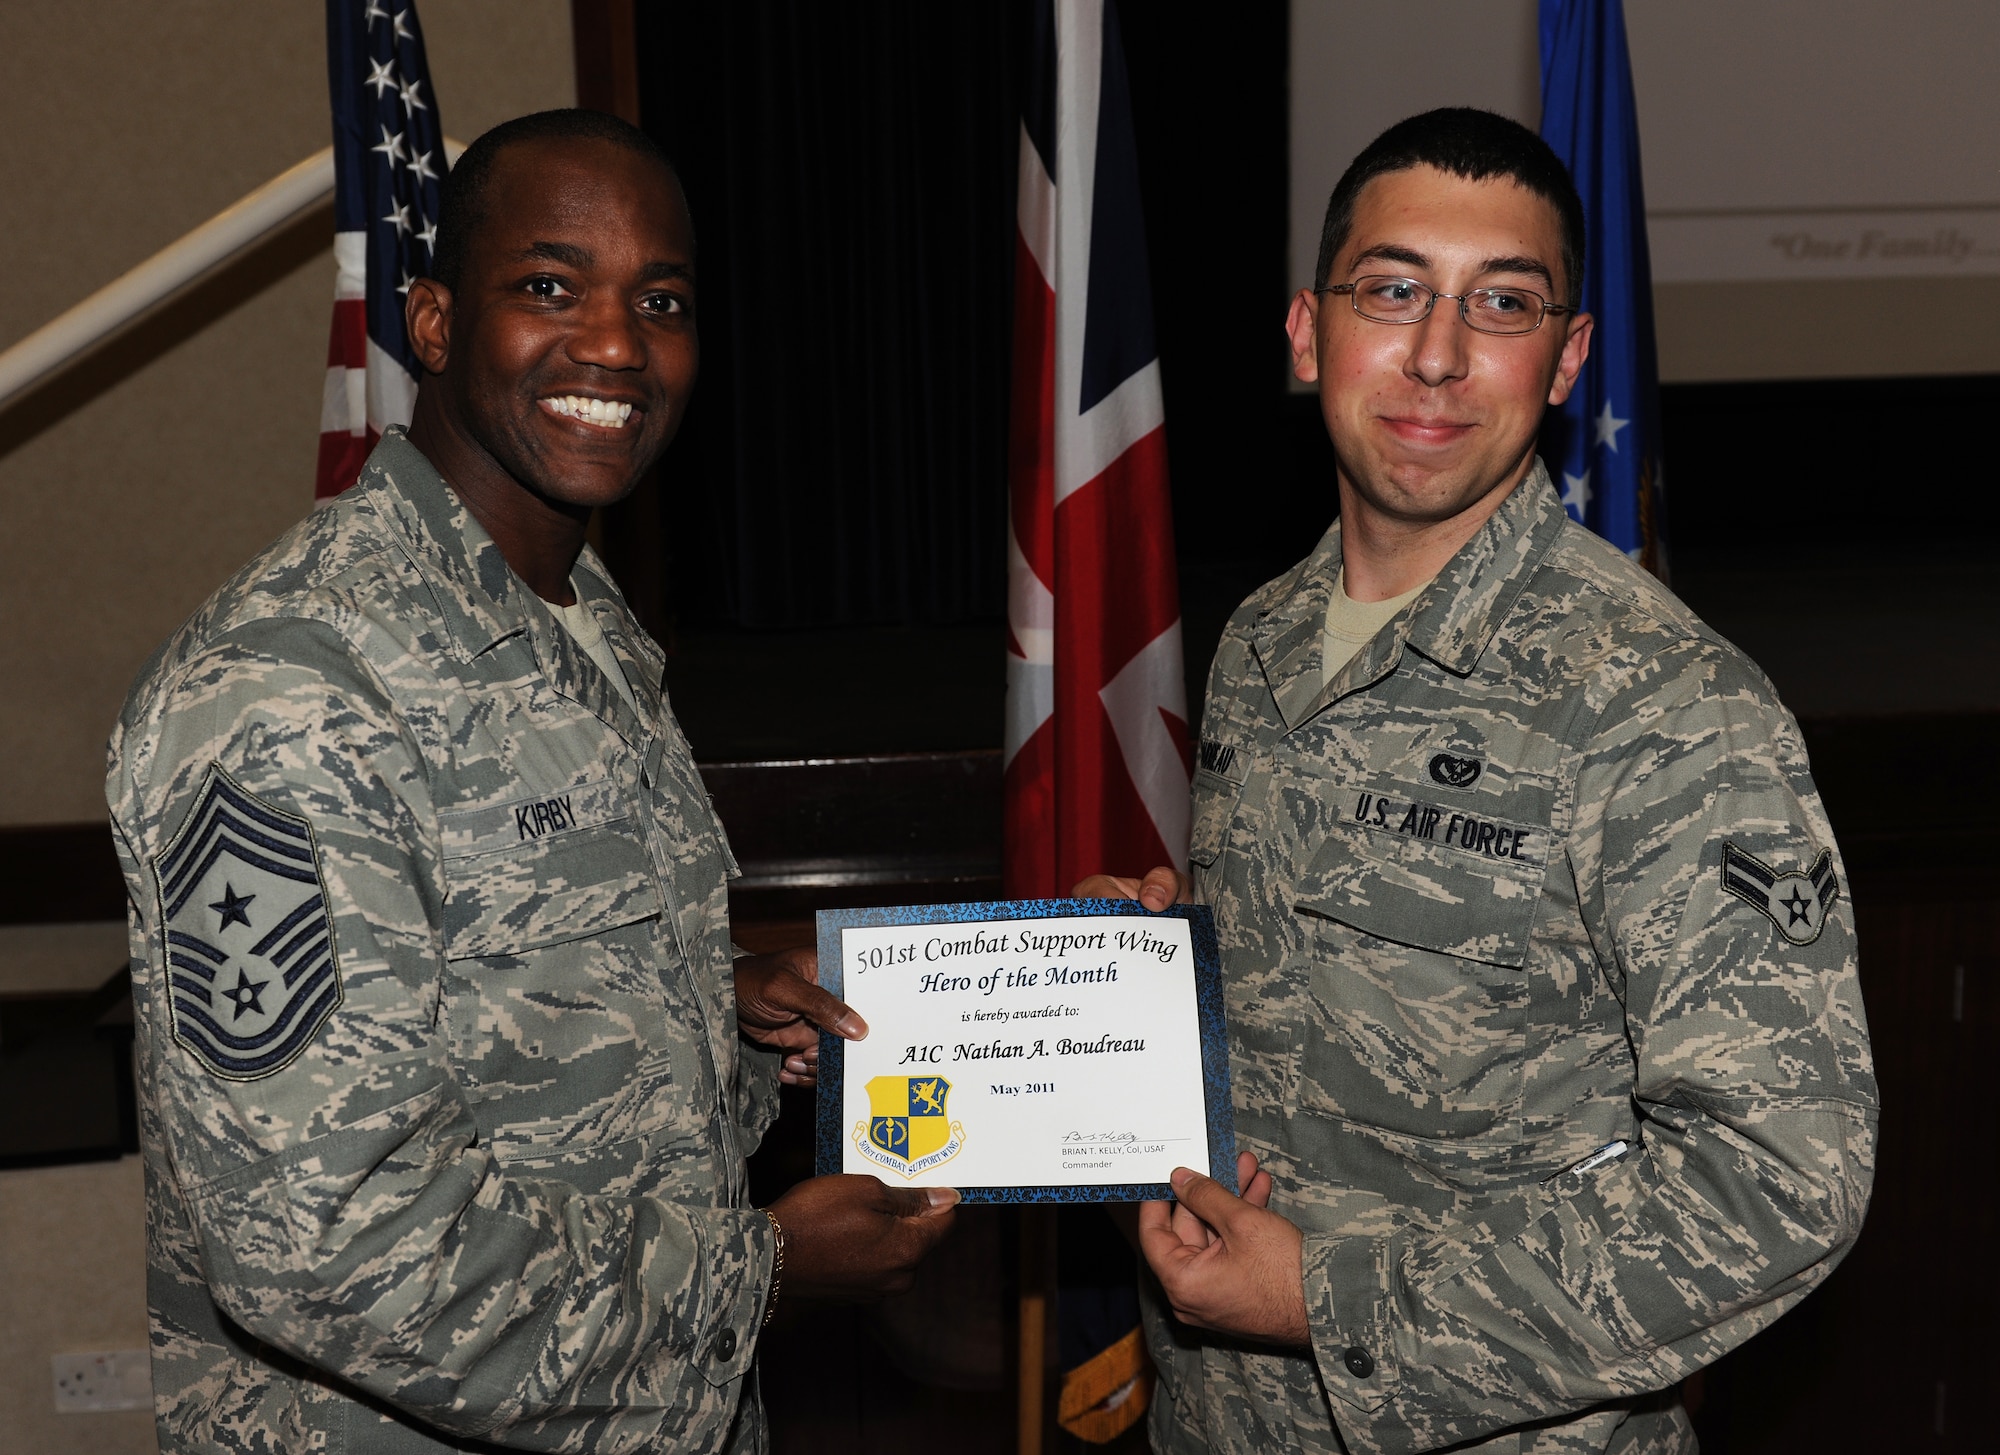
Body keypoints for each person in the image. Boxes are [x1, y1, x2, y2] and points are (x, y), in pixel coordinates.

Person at [105, 110, 956, 1454]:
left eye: (660, 300)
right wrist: (762, 1276)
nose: (615, 345)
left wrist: (723, 1015)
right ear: (435, 324)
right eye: (550, 287)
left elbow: (508, 1001)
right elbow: (316, 1244)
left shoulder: (582, 620)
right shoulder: (293, 688)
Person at [1081, 108, 1876, 1454]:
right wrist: (1150, 992)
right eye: (1392, 290)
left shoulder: (1670, 709)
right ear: (1304, 332)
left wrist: (1335, 1302)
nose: (1438, 355)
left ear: (1566, 360)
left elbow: (1779, 1182)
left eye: (1500, 304)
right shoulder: (1263, 643)